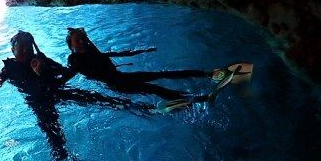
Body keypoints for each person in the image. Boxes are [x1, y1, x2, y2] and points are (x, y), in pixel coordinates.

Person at [0, 31, 151, 161]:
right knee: (56, 142)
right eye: (21, 50)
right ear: (13, 50)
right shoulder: (9, 69)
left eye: (28, 49)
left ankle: (137, 106)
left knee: (93, 97)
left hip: (55, 92)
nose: (25, 53)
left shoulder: (40, 60)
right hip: (40, 103)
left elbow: (64, 72)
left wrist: (46, 69)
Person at [65, 27, 237, 106]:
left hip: (122, 76)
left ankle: (208, 73)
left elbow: (109, 54)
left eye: (84, 37)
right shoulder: (75, 60)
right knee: (154, 89)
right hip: (118, 84)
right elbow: (69, 74)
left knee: (162, 74)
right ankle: (199, 98)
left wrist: (140, 51)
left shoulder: (91, 50)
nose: (83, 41)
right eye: (78, 39)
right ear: (71, 45)